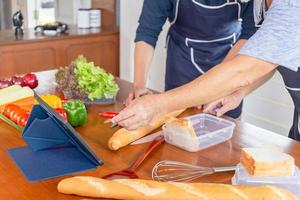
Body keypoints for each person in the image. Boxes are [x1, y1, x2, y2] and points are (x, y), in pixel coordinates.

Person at [112, 0, 300, 141]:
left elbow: (245, 68)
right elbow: (270, 59)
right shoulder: (264, 5)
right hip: (185, 62)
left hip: (231, 64)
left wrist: (157, 105)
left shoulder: (291, 8)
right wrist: (237, 93)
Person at [125, 0, 256, 119]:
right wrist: (139, 85)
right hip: (182, 67)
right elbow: (147, 32)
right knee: (177, 131)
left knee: (225, 135)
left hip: (230, 66)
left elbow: (249, 35)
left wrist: (219, 86)